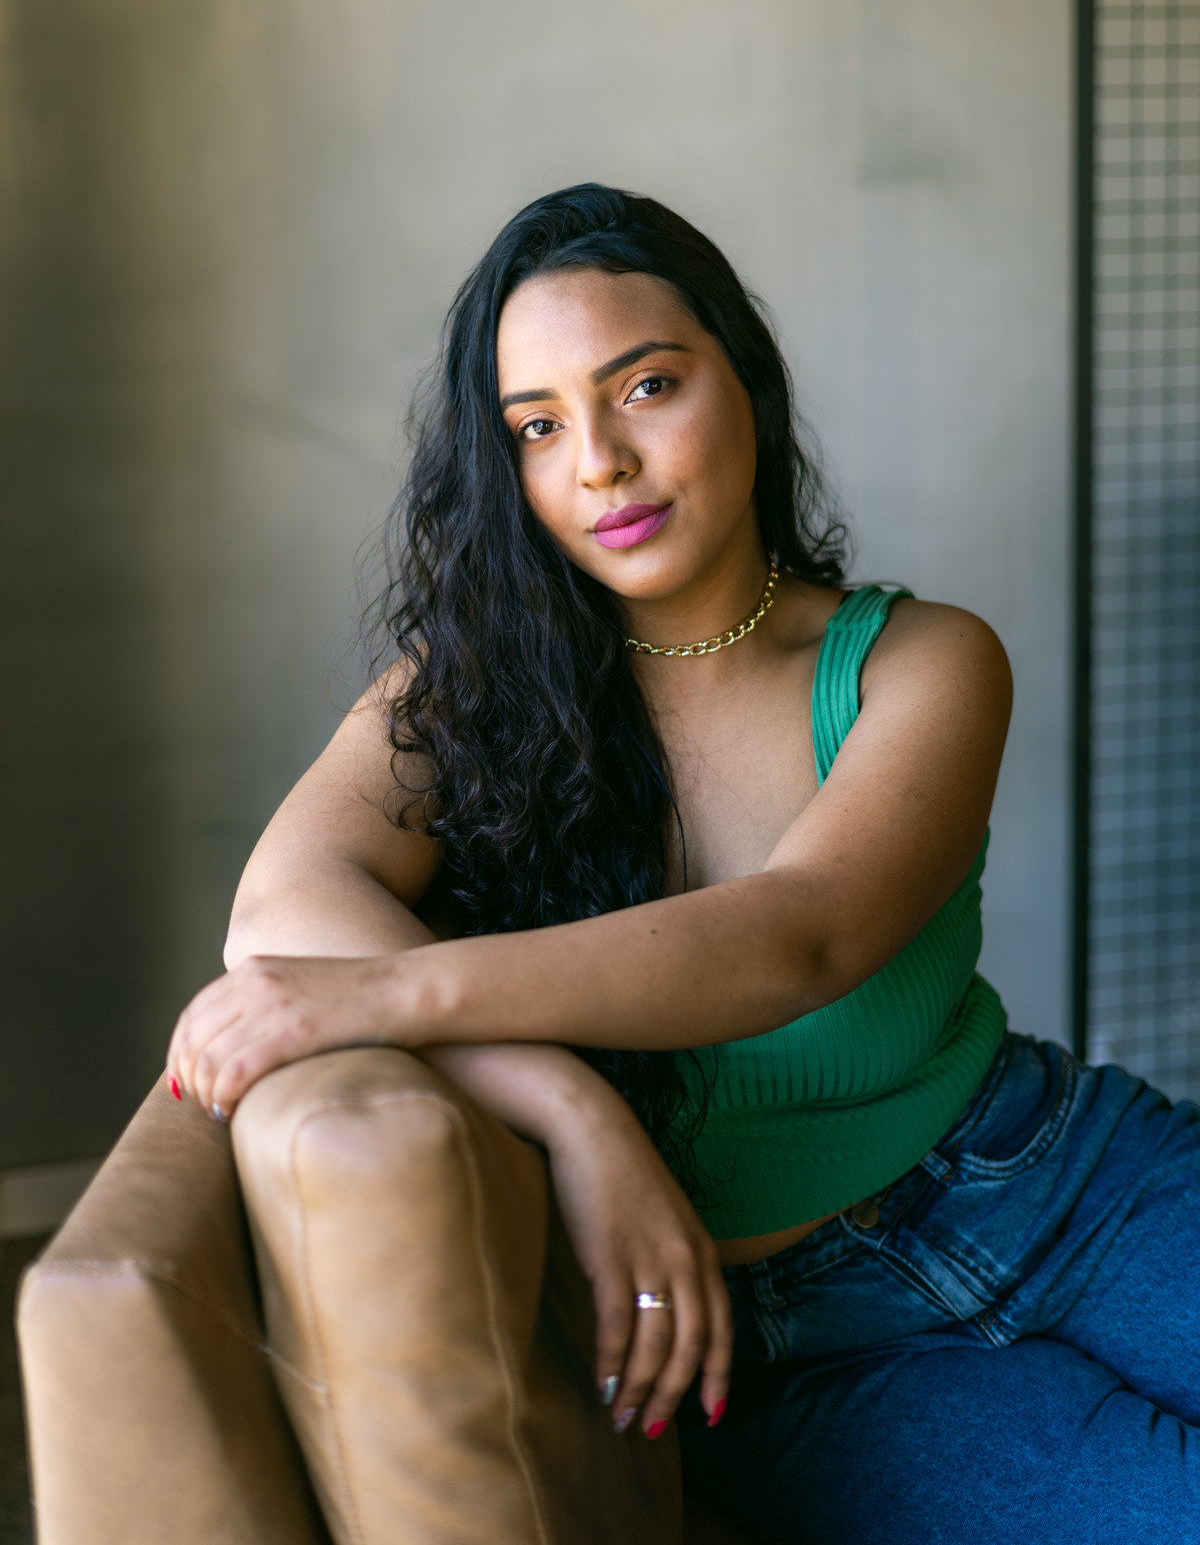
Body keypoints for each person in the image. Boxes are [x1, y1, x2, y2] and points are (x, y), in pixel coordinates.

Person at [167, 185, 1200, 1542]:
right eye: (538, 427)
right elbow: (280, 907)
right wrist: (573, 1111)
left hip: (1059, 1177)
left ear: (746, 385)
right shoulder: (469, 697)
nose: (599, 462)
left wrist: (396, 998)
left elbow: (802, 935)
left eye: (644, 387)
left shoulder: (921, 661)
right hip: (786, 1350)